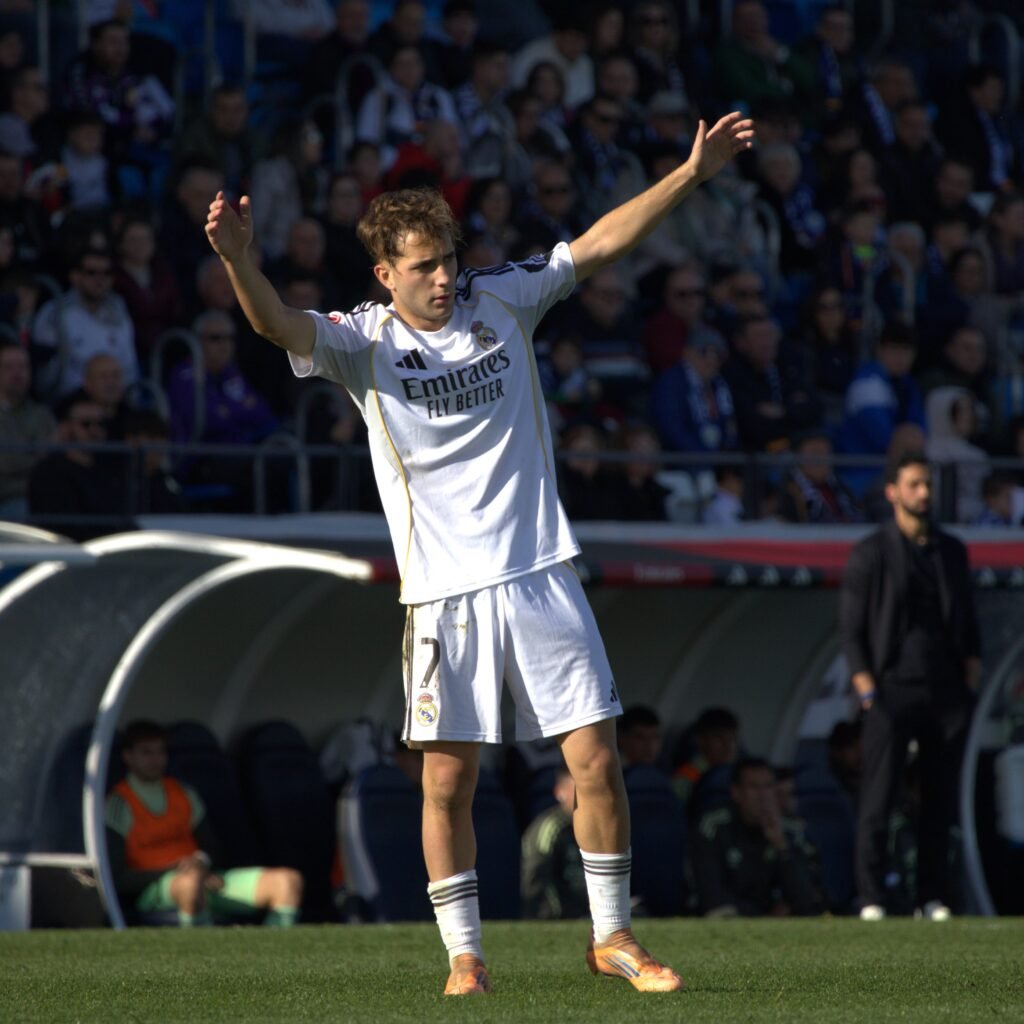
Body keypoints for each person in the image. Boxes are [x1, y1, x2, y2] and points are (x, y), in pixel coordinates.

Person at [205, 105, 754, 995]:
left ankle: (613, 937)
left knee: (595, 761)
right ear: (385, 274)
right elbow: (274, 325)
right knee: (446, 785)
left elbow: (598, 244)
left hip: (539, 572)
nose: (443, 278)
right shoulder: (363, 342)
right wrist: (238, 259)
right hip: (444, 593)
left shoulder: (503, 296)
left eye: (448, 260)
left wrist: (690, 175)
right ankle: (465, 957)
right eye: (424, 266)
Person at [839, 453, 982, 921]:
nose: (923, 493)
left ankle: (932, 895)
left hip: (946, 690)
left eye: (928, 485)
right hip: (891, 688)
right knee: (878, 796)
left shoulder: (951, 550)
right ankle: (871, 897)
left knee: (940, 799)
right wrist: (867, 690)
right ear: (892, 491)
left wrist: (970, 680)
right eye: (914, 484)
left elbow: (968, 622)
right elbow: (852, 629)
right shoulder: (871, 552)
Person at [105, 720, 303, 927]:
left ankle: (274, 944)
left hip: (204, 877)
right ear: (128, 756)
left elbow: (211, 847)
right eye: (146, 753)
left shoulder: (183, 793)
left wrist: (201, 863)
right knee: (190, 885)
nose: (155, 760)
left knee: (288, 881)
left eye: (160, 752)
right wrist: (176, 872)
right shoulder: (119, 803)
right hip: (158, 888)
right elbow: (117, 877)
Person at [690, 757, 824, 917]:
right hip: (734, 918)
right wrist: (763, 918)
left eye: (768, 786)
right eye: (753, 787)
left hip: (782, 924)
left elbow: (809, 899)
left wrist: (781, 845)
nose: (762, 796)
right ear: (736, 792)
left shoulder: (793, 831)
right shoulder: (713, 827)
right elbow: (711, 894)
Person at [520, 767, 589, 920]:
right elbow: (536, 878)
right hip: (562, 915)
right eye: (578, 789)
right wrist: (550, 913)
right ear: (560, 792)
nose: (585, 795)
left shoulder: (596, 825)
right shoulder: (551, 828)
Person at [0, 340, 55, 521]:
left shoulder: (42, 414)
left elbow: (55, 459)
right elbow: (6, 463)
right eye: (8, 367)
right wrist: (40, 455)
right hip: (7, 499)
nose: (17, 373)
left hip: (44, 496)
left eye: (23, 367)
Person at [617, 705, 663, 770]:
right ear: (622, 738)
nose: (649, 744)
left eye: (655, 737)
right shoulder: (612, 770)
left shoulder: (665, 769)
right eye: (640, 737)